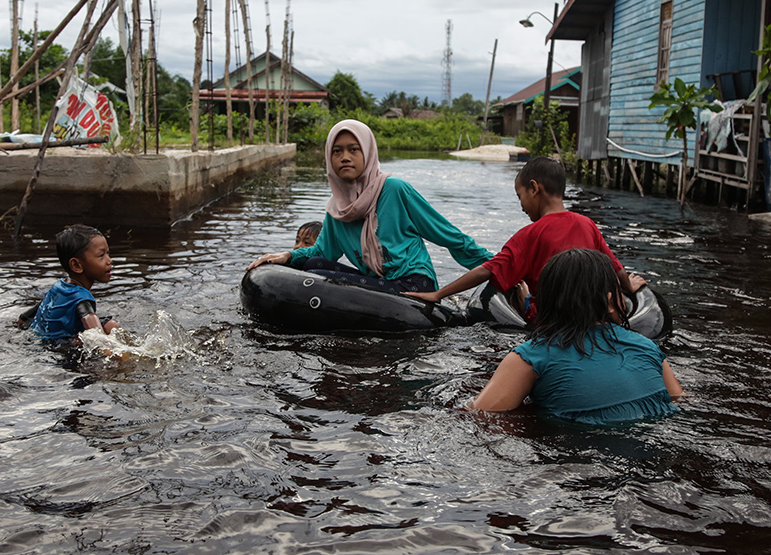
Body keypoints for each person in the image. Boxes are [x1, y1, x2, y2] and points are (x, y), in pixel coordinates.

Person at [248, 119, 491, 293]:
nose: (345, 157)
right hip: (377, 281)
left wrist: (499, 266)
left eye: (354, 150)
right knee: (312, 266)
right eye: (337, 151)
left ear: (367, 153)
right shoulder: (337, 210)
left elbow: (448, 235)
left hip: (413, 284)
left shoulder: (394, 189)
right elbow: (320, 253)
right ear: (329, 159)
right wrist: (286, 255)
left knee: (316, 275)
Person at [406, 156, 643, 319]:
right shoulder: (588, 224)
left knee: (522, 293)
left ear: (533, 188)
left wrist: (438, 294)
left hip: (550, 321)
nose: (521, 206)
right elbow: (617, 269)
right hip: (592, 316)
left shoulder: (529, 235)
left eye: (520, 196)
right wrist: (629, 287)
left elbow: (487, 270)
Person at [469, 249, 683, 423]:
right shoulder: (647, 347)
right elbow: (678, 398)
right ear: (609, 301)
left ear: (544, 302)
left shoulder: (530, 356)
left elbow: (480, 414)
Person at [23, 223, 121, 341]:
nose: (109, 261)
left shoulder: (58, 288)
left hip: (40, 341)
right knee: (111, 326)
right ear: (76, 265)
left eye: (108, 253)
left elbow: (22, 320)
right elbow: (97, 337)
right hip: (61, 350)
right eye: (101, 255)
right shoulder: (81, 299)